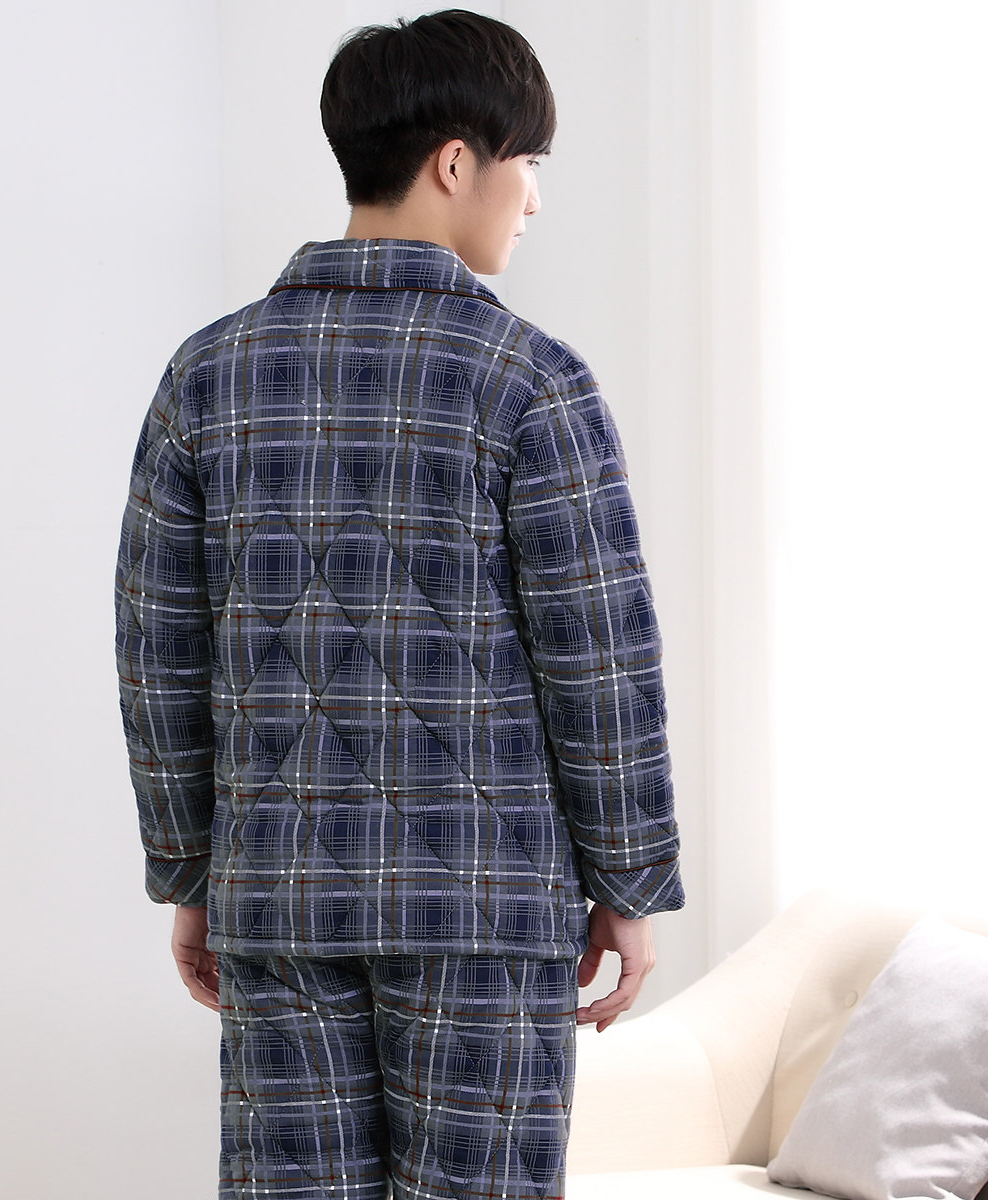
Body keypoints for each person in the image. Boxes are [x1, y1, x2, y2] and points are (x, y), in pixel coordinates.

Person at [115, 9, 684, 1198]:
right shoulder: (532, 381)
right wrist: (629, 883)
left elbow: (157, 655)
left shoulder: (206, 376)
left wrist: (192, 870)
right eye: (529, 163)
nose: (535, 200)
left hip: (277, 898)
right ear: (457, 162)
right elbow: (600, 658)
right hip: (488, 911)